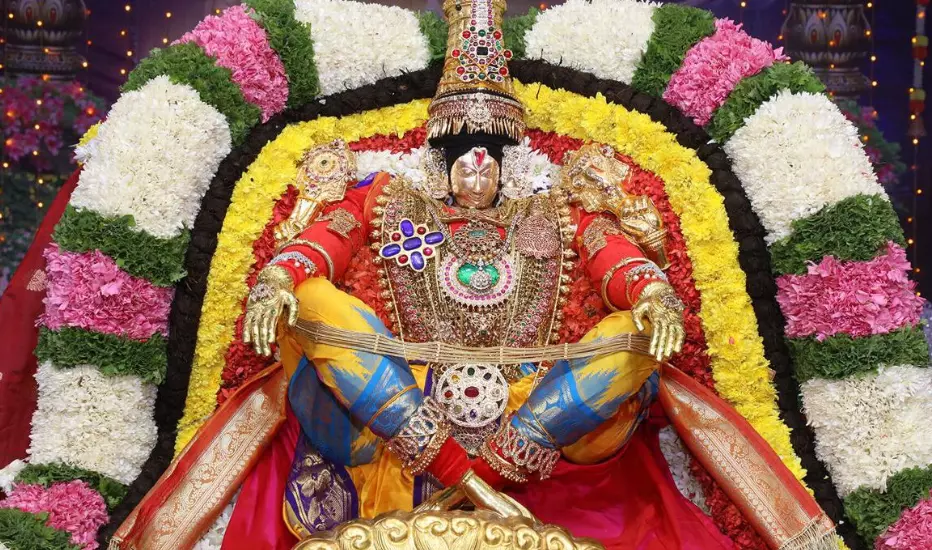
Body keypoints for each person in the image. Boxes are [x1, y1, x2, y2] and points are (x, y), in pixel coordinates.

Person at [113, 2, 838, 549]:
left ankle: (483, 474)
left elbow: (609, 252)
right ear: (440, 157)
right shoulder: (391, 199)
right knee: (311, 302)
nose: (477, 166)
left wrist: (649, 289)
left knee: (638, 338)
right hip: (404, 403)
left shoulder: (549, 210)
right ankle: (463, 475)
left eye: (490, 153)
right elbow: (326, 242)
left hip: (542, 410)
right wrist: (280, 276)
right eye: (464, 152)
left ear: (508, 159)